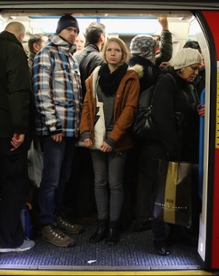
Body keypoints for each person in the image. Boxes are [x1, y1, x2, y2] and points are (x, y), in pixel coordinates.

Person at [79, 37, 141, 245]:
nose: (113, 53)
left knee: (115, 183)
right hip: (96, 136)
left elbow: (129, 111)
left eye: (118, 50)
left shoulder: (130, 77)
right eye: (109, 50)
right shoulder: (94, 76)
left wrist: (113, 139)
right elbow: (87, 107)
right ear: (104, 53)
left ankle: (114, 226)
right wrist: (86, 133)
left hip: (118, 139)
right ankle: (102, 224)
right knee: (99, 181)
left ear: (124, 55)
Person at [32, 14, 83, 248]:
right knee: (51, 180)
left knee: (64, 178)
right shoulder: (46, 54)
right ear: (59, 30)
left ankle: (57, 216)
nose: (73, 33)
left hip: (72, 129)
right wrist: (53, 126)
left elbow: (77, 96)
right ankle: (46, 225)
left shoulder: (71, 58)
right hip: (56, 130)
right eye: (69, 29)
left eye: (75, 30)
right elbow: (42, 93)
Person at [0, 21, 36, 253]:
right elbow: (18, 92)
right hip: (9, 130)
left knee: (4, 184)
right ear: (21, 36)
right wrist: (19, 128)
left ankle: (3, 235)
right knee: (15, 183)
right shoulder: (14, 50)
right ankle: (10, 240)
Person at [150, 48, 203, 255]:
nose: (196, 72)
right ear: (181, 66)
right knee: (162, 196)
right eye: (193, 68)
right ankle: (159, 239)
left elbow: (188, 111)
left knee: (178, 194)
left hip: (182, 149)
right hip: (167, 150)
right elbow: (162, 118)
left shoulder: (188, 86)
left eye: (198, 69)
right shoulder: (167, 81)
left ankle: (177, 233)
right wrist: (173, 150)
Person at [128, 17, 173, 233]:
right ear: (150, 50)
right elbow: (164, 55)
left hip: (126, 129)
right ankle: (143, 216)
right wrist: (165, 29)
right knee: (146, 176)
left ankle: (130, 214)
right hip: (145, 131)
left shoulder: (124, 67)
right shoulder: (152, 71)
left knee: (125, 176)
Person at [65, 21, 107, 223]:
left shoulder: (75, 56)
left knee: (75, 170)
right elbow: (96, 96)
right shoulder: (98, 59)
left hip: (74, 120)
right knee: (89, 172)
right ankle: (86, 211)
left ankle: (73, 211)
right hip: (89, 120)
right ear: (101, 39)